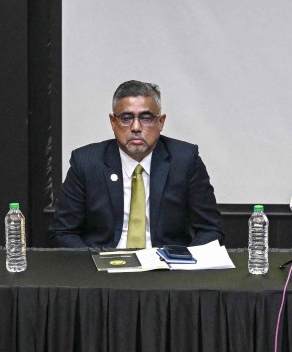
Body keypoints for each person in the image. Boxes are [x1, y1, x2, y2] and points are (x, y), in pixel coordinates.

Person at [50, 80, 223, 249]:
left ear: (161, 122)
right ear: (113, 121)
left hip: (167, 268)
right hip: (104, 267)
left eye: (146, 118)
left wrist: (182, 262)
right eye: (126, 118)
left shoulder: (184, 160)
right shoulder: (87, 162)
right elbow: (63, 232)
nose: (136, 127)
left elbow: (211, 229)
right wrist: (92, 265)